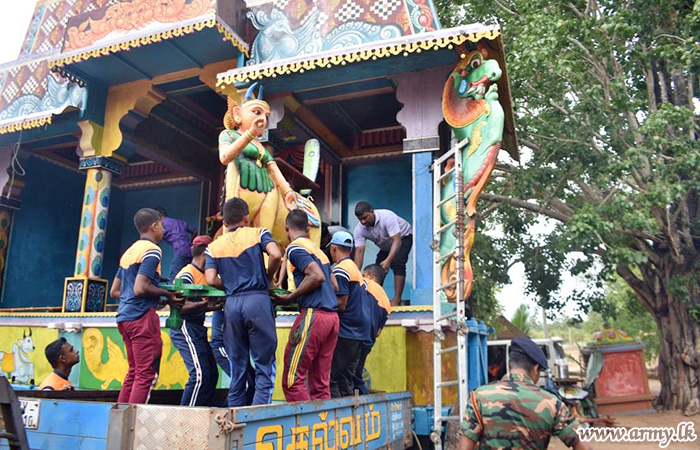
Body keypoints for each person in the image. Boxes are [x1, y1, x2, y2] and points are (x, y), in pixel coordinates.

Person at [205, 198, 282, 407]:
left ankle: (234, 416)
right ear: (247, 218)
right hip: (257, 300)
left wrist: (230, 284)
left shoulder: (213, 247)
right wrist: (267, 277)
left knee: (237, 369)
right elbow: (276, 254)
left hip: (231, 304)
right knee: (264, 365)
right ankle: (258, 417)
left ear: (225, 222)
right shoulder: (258, 233)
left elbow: (211, 279)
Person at [459, 337, 590, 450]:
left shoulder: (479, 397)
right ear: (535, 368)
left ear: (510, 365)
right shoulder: (552, 403)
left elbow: (464, 447)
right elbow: (584, 447)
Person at [110, 208, 184, 404]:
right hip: (141, 317)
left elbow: (116, 291)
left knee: (134, 372)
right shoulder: (152, 250)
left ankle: (121, 420)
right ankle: (134, 422)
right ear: (154, 226)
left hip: (124, 317)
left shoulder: (129, 252)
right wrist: (167, 294)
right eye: (161, 226)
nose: (162, 230)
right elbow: (140, 288)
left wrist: (155, 296)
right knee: (146, 375)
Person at [275, 210, 339, 402]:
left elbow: (317, 277)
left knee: (292, 379)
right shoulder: (319, 251)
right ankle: (323, 428)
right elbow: (334, 285)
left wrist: (291, 297)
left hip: (314, 314)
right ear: (308, 229)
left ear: (287, 228)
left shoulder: (295, 248)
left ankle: (302, 429)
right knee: (320, 383)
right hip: (332, 319)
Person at [169, 235, 219, 406]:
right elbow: (180, 306)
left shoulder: (204, 275)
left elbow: (200, 306)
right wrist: (205, 305)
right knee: (200, 375)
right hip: (184, 327)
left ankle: (202, 411)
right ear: (206, 253)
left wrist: (213, 306)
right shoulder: (187, 274)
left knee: (212, 373)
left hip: (197, 327)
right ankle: (187, 415)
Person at [328, 231, 371, 398]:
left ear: (333, 248)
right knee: (346, 379)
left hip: (347, 332)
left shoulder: (340, 270)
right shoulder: (355, 268)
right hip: (360, 333)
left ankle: (334, 419)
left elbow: (342, 304)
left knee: (330, 377)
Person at [352, 201, 412, 306]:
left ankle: (397, 299)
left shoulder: (387, 217)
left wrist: (388, 260)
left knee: (398, 263)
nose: (363, 221)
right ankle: (376, 299)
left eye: (365, 217)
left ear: (372, 211)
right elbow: (359, 252)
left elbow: (397, 241)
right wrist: (356, 273)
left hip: (403, 237)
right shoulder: (359, 229)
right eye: (360, 219)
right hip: (386, 244)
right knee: (378, 269)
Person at [352, 264, 391, 394]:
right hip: (369, 340)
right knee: (357, 371)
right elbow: (379, 332)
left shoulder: (366, 285)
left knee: (349, 374)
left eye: (364, 275)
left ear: (370, 276)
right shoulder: (386, 301)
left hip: (355, 335)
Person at [154, 207, 197, 281]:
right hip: (190, 251)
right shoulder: (178, 222)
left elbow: (155, 240)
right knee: (187, 275)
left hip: (180, 251)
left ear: (158, 217)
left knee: (172, 278)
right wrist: (192, 243)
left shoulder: (162, 225)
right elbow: (194, 231)